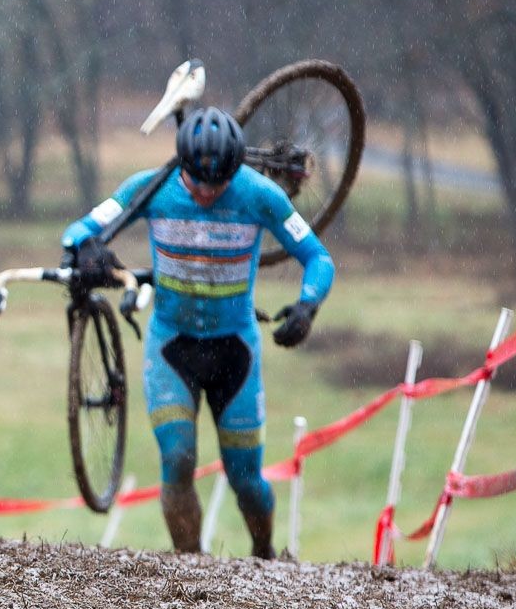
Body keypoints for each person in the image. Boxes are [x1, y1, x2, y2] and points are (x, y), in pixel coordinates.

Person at [61, 108, 334, 559]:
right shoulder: (150, 187)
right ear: (182, 167)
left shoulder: (259, 194)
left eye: (219, 184)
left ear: (235, 171)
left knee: (246, 477)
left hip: (236, 354)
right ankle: (192, 570)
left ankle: (266, 555)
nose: (207, 193)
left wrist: (307, 306)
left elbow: (318, 257)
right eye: (197, 184)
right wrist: (88, 246)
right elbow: (79, 229)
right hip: (173, 348)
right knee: (177, 459)